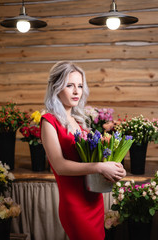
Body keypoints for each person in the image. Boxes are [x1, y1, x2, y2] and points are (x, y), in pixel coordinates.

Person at [40, 61, 126, 240]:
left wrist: (115, 168)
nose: (76, 91)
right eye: (69, 85)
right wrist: (99, 167)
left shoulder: (79, 123)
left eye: (79, 86)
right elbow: (59, 166)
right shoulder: (49, 121)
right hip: (74, 205)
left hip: (93, 200)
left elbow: (94, 162)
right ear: (56, 87)